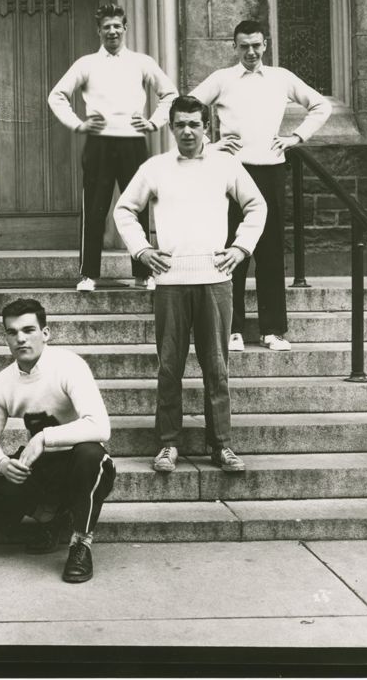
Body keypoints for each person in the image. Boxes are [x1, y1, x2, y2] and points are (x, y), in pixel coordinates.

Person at [113, 95, 266, 474]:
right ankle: (168, 444)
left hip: (215, 280)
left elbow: (256, 205)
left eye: (194, 124)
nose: (187, 131)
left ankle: (222, 445)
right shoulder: (156, 167)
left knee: (217, 367)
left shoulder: (225, 164)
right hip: (171, 280)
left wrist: (241, 248)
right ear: (170, 127)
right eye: (180, 124)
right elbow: (124, 209)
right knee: (170, 367)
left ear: (206, 128)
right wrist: (142, 250)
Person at [189, 19, 332, 352]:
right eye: (243, 46)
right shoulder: (222, 79)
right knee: (231, 250)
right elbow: (184, 108)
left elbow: (320, 105)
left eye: (256, 45)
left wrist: (295, 137)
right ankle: (232, 328)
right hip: (230, 172)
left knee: (269, 251)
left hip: (270, 172)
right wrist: (209, 146)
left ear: (265, 44)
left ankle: (273, 330)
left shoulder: (281, 78)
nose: (250, 52)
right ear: (234, 46)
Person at [0, 298, 115, 584]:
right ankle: (48, 519)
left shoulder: (69, 366)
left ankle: (81, 542)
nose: (20, 338)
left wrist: (45, 436)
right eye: (11, 332)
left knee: (93, 456)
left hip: (77, 465)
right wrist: (2, 464)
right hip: (40, 469)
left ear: (45, 333)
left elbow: (100, 426)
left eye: (28, 329)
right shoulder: (3, 382)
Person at [47, 3, 177, 293]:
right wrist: (78, 124)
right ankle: (88, 274)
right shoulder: (86, 64)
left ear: (125, 28)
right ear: (99, 31)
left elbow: (169, 94)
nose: (112, 31)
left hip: (133, 142)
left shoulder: (141, 62)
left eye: (117, 26)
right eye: (106, 27)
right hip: (100, 143)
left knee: (138, 207)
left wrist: (154, 123)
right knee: (95, 208)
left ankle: (143, 274)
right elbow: (56, 96)